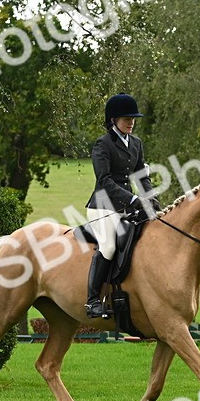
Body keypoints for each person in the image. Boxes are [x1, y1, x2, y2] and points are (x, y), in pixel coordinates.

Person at [84, 93, 161, 318]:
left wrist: (153, 202)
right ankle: (92, 302)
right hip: (103, 206)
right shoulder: (103, 144)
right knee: (108, 246)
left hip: (128, 206)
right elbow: (104, 181)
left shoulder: (136, 143)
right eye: (126, 118)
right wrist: (133, 199)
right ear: (113, 120)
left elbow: (141, 176)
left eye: (133, 118)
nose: (131, 122)